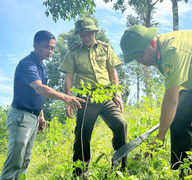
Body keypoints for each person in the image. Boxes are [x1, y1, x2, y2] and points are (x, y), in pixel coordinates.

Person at [120, 25, 192, 177]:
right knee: (178, 115)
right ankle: (183, 171)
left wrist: (160, 138)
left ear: (152, 43)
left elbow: (171, 100)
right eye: (134, 58)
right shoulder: (156, 54)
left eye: (140, 54)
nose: (139, 60)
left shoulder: (173, 49)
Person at [0, 30, 85, 180]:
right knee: (15, 161)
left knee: (25, 160)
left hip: (33, 117)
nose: (50, 51)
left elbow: (39, 94)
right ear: (35, 44)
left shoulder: (42, 67)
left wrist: (41, 115)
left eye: (52, 48)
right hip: (21, 116)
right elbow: (39, 88)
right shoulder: (27, 64)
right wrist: (65, 97)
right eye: (47, 47)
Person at [59, 17, 128, 176]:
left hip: (105, 95)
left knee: (121, 124)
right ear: (78, 35)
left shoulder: (105, 48)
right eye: (82, 34)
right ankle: (80, 173)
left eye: (89, 33)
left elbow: (113, 73)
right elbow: (68, 77)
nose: (86, 37)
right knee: (82, 134)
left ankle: (119, 167)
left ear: (95, 32)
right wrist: (68, 100)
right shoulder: (73, 52)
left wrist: (116, 93)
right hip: (85, 98)